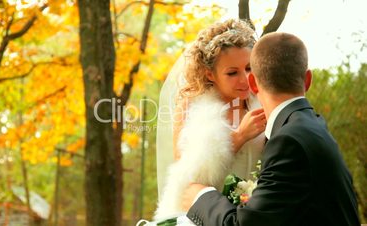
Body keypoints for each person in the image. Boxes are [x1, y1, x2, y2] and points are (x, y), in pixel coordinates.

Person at [183, 32, 361, 226]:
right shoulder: (313, 125)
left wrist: (201, 195)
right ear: (308, 80)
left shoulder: (288, 141)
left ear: (253, 83)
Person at [154, 19, 266, 222]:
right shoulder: (190, 107)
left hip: (255, 214)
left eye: (249, 68)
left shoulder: (265, 102)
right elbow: (189, 176)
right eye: (232, 73)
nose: (244, 79)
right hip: (202, 215)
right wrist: (239, 136)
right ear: (210, 74)